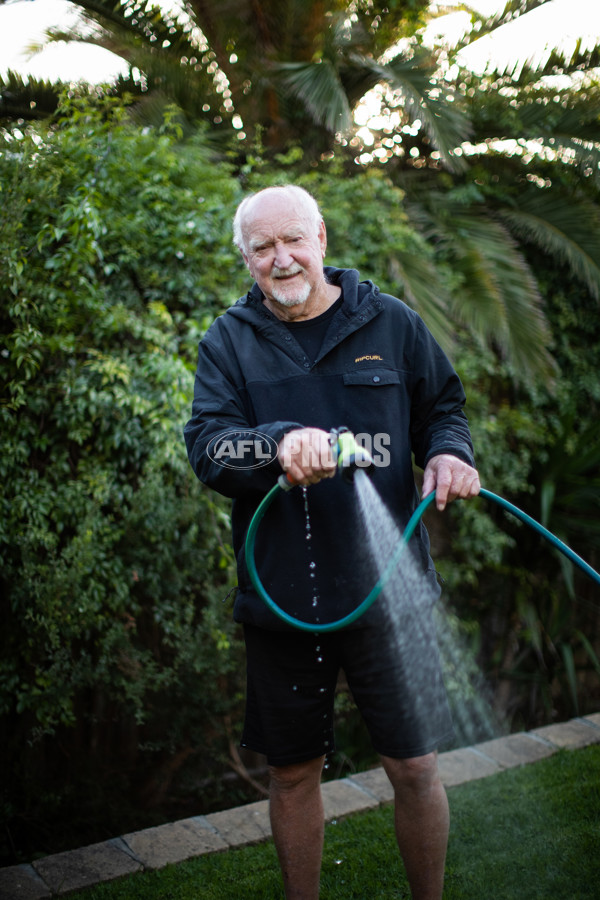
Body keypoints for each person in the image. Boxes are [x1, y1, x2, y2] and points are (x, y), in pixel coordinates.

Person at [184, 185, 480, 900]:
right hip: (283, 601)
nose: (281, 260)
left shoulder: (392, 323)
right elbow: (209, 447)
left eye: (292, 241)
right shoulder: (229, 342)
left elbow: (443, 404)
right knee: (291, 773)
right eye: (262, 249)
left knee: (414, 768)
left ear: (320, 238)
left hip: (389, 593)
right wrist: (280, 443)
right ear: (247, 260)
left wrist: (447, 451)